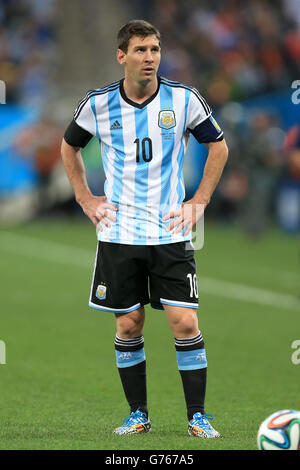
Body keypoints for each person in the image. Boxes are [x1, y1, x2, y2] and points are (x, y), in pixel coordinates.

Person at [61, 19, 228, 438]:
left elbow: (218, 147)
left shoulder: (184, 99)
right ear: (122, 56)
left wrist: (199, 201)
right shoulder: (97, 104)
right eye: (140, 50)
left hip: (170, 232)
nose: (149, 57)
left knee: (185, 324)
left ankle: (197, 416)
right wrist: (85, 198)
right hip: (119, 234)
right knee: (128, 325)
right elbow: (69, 147)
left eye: (154, 49)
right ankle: (138, 414)